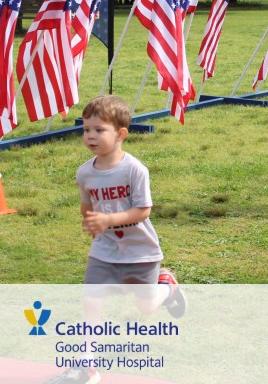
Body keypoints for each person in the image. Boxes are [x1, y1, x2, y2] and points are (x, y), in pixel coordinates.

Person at [67, 95, 186, 384]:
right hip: (104, 250)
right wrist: (91, 220)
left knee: (146, 307)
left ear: (120, 134)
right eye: (86, 129)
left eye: (99, 130)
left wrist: (108, 220)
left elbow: (143, 210)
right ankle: (87, 364)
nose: (90, 136)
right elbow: (87, 204)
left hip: (140, 251)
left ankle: (167, 287)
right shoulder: (84, 172)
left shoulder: (134, 170)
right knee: (91, 300)